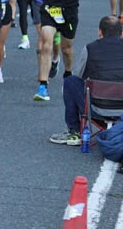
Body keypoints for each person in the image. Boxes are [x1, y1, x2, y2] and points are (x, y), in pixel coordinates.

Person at [50, 16, 123, 145]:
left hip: (98, 107)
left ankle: (75, 131)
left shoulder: (90, 48)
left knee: (70, 81)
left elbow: (80, 76)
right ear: (121, 33)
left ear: (99, 32)